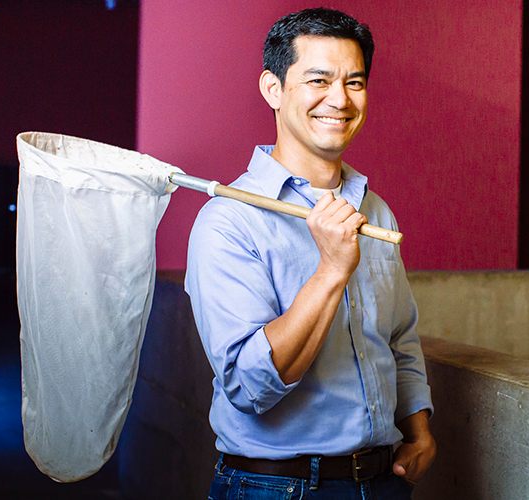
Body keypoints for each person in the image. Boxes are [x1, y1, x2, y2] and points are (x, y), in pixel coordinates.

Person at [185, 8, 435, 499]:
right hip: (275, 487)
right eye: (318, 79)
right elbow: (249, 385)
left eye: (355, 83)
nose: (339, 100)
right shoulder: (228, 221)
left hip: (385, 483)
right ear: (273, 89)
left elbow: (399, 338)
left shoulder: (375, 210)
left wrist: (420, 431)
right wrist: (332, 271)